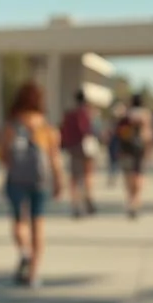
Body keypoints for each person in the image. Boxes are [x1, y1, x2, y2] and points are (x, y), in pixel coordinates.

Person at [0, 82, 64, 286]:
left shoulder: (12, 125)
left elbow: (2, 154)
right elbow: (54, 158)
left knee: (19, 220)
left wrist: (14, 166)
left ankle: (25, 252)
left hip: (16, 179)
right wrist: (59, 181)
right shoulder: (46, 127)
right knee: (38, 224)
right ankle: (34, 274)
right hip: (39, 181)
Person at [112, 94, 153, 219]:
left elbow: (117, 132)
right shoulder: (146, 115)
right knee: (139, 174)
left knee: (127, 175)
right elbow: (149, 134)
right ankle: (136, 201)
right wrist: (150, 150)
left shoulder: (126, 114)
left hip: (126, 149)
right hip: (140, 149)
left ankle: (129, 199)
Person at [57, 88, 99, 218]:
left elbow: (63, 131)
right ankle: (88, 198)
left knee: (74, 177)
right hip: (86, 147)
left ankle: (75, 204)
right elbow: (89, 130)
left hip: (73, 147)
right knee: (87, 174)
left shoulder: (70, 114)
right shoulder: (88, 113)